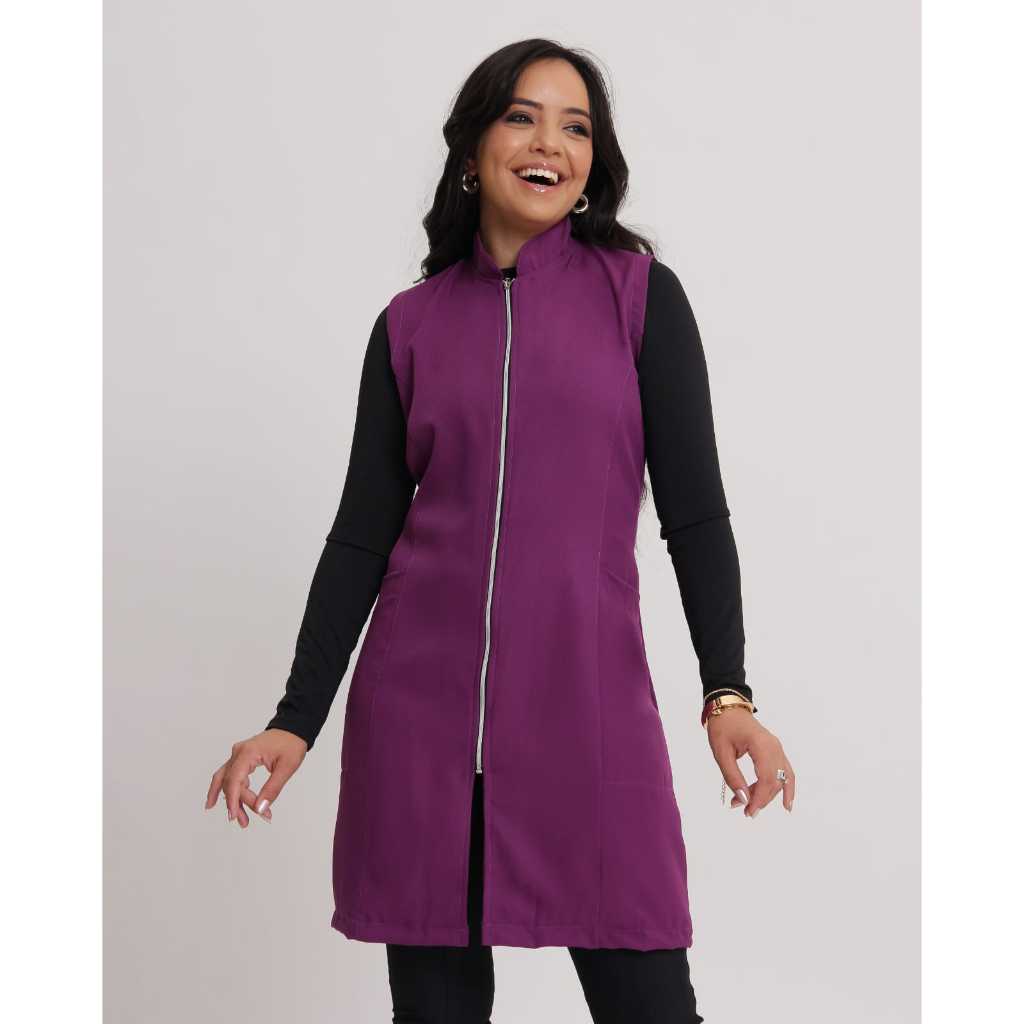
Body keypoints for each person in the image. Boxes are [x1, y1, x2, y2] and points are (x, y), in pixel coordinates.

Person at [205, 38, 796, 1024]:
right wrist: (294, 717)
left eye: (576, 126)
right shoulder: (410, 326)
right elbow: (361, 536)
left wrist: (725, 691)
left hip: (587, 715)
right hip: (422, 731)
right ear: (474, 150)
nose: (548, 143)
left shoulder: (639, 299)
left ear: (592, 164)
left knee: (651, 1004)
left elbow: (695, 514)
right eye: (522, 116)